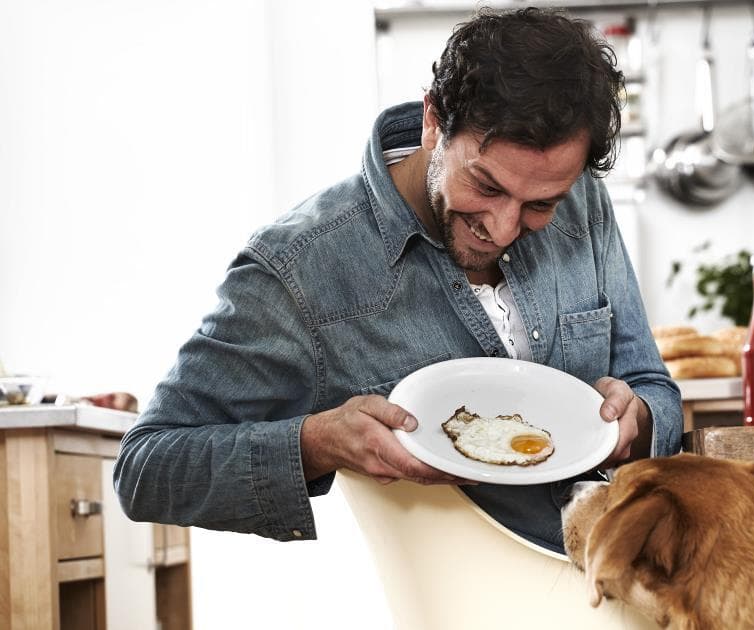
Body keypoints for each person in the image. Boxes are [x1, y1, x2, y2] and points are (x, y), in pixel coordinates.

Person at [114, 6, 682, 554]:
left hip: (613, 564)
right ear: (434, 120)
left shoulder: (582, 199)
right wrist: (314, 443)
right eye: (485, 187)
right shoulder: (299, 268)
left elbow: (652, 387)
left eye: (540, 204)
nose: (505, 227)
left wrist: (640, 418)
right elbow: (145, 469)